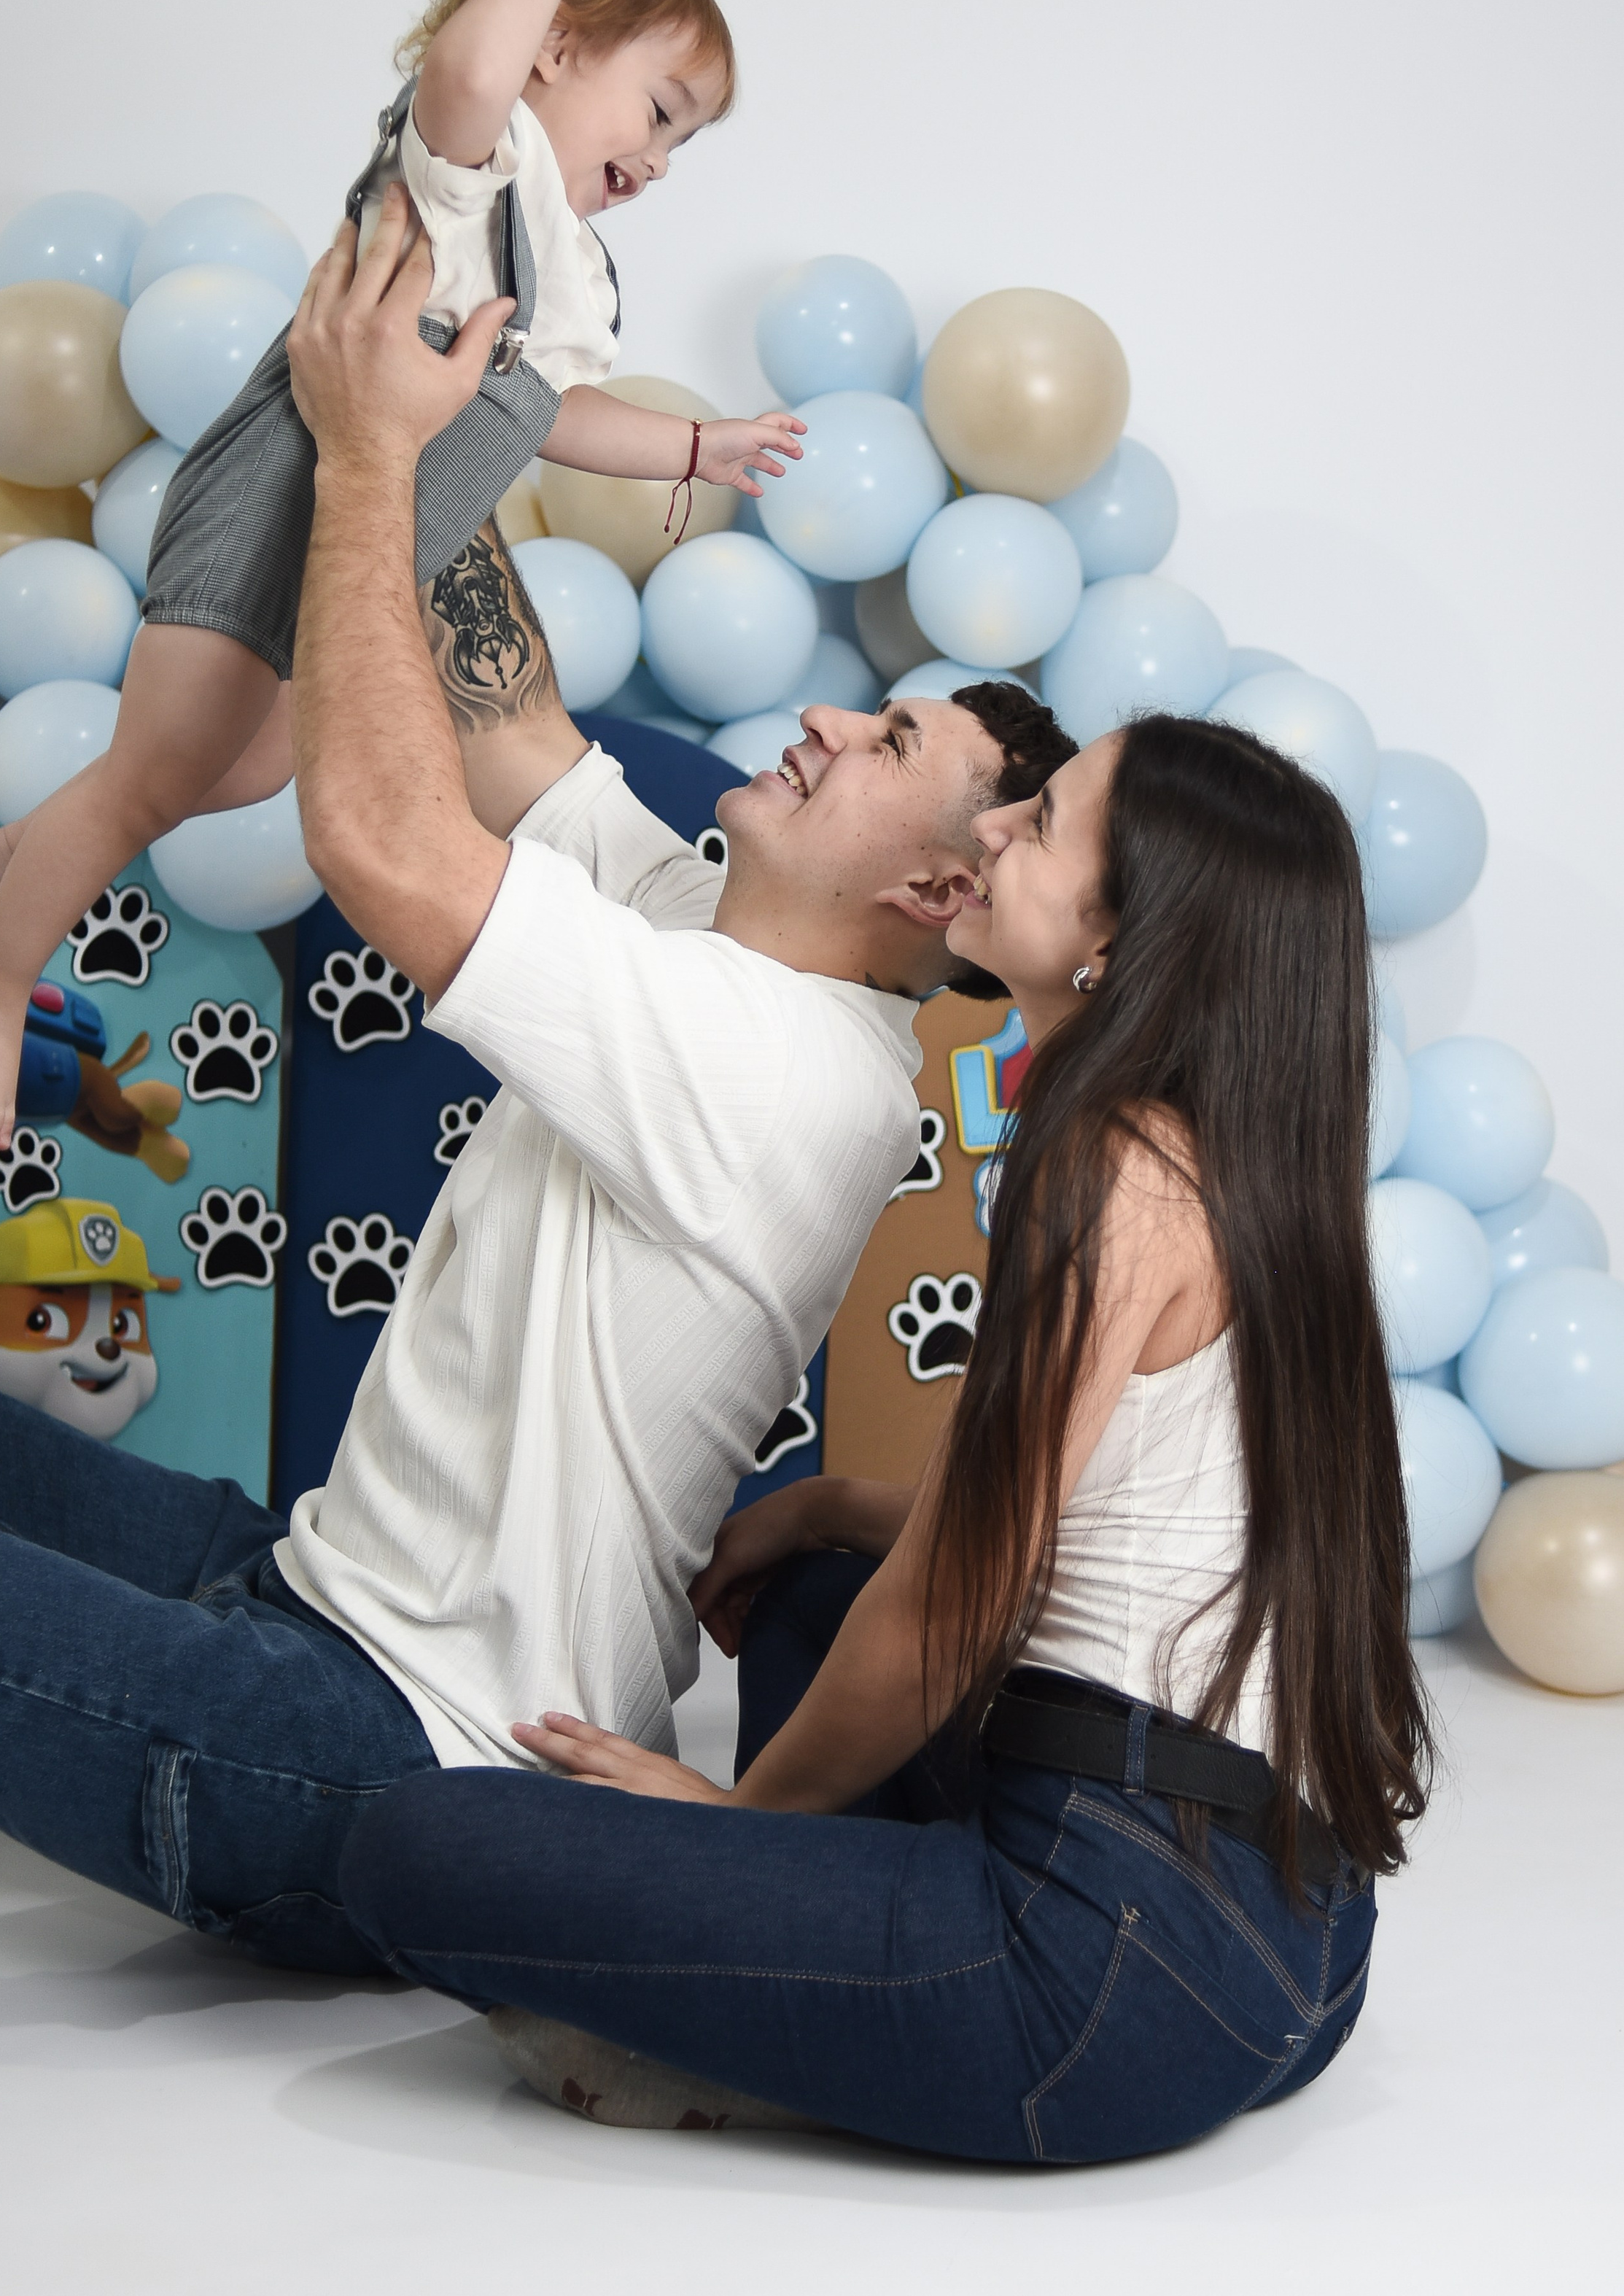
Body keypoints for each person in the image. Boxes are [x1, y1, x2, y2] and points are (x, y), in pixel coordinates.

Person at [0, 195, 1072, 1968]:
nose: (834, 720)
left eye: (889, 744)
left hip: (392, 1752)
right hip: (314, 1591)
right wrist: (433, 329)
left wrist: (371, 454)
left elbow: (381, 833)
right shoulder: (704, 920)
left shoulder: (785, 1070)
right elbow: (509, 713)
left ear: (932, 893)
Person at [339, 709, 1434, 2163]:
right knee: (810, 1592)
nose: (993, 825)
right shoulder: (1221, 1151)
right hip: (1292, 1946)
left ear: (1120, 938)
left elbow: (952, 1605)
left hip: (1104, 1970)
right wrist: (827, 1505)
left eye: (1040, 829)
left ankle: (829, 2003)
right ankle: (860, 1952)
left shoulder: (1107, 1165)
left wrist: (728, 1826)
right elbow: (1084, 1511)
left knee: (411, 1847)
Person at [0, 0, 806, 1148]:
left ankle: (9, 862)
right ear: (552, 44)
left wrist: (693, 444)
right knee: (149, 781)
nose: (661, 160)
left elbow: (549, 411)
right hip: (281, 503)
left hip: (362, 558)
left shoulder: (569, 265)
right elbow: (464, 69)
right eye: (659, 110)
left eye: (687, 143)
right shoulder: (475, 165)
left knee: (250, 764)